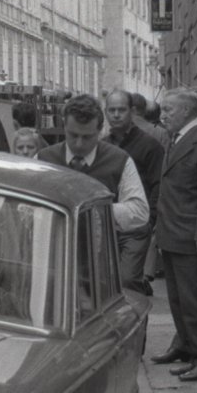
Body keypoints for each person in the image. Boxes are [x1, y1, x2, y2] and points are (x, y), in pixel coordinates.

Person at [152, 85, 197, 381]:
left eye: (168, 109)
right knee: (179, 301)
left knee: (196, 302)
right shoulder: (177, 138)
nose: (163, 115)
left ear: (186, 111)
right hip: (172, 234)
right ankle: (189, 350)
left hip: (191, 238)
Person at [42, 94, 151, 268]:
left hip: (99, 263)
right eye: (73, 135)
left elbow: (140, 211)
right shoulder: (43, 159)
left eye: (87, 137)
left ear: (100, 130)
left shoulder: (120, 160)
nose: (79, 144)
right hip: (51, 258)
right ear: (64, 125)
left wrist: (95, 211)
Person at [101, 88, 164, 292]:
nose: (116, 115)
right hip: (107, 224)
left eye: (121, 110)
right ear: (105, 113)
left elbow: (158, 185)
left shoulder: (150, 145)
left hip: (136, 226)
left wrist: (150, 220)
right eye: (112, 110)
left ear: (132, 112)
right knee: (106, 282)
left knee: (127, 280)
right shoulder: (102, 146)